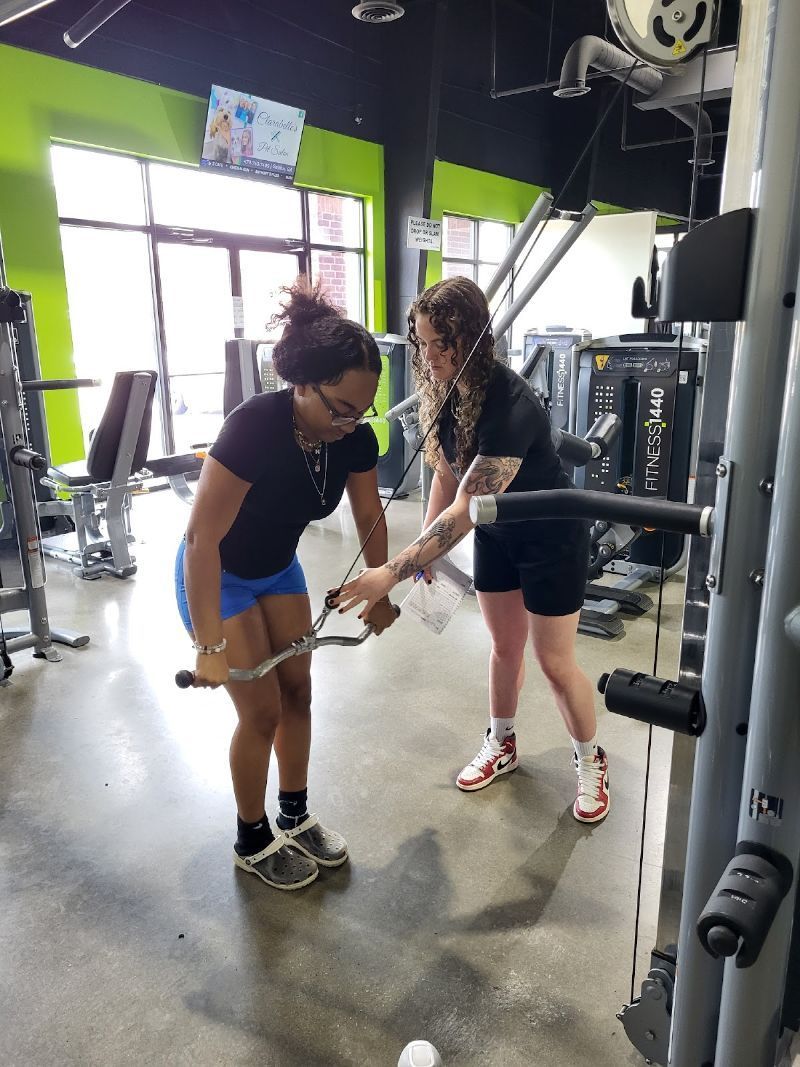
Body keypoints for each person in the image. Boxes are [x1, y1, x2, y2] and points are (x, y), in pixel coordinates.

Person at [334, 276, 609, 823]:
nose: (431, 355)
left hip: (551, 536)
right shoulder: (444, 392)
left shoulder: (510, 406)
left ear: (473, 340)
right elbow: (444, 474)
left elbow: (465, 508)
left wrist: (391, 571)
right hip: (498, 535)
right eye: (423, 342)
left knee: (553, 663)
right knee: (504, 647)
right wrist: (428, 551)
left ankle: (590, 758)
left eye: (444, 343)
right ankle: (502, 742)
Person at [176, 279, 398, 891]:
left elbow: (368, 515)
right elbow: (201, 541)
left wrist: (378, 592)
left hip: (277, 568)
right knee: (262, 711)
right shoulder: (253, 428)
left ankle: (295, 816)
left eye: (363, 409)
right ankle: (251, 839)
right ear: (302, 384)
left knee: (298, 692)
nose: (353, 424)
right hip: (220, 575)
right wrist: (209, 646)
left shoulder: (353, 438)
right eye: (341, 409)